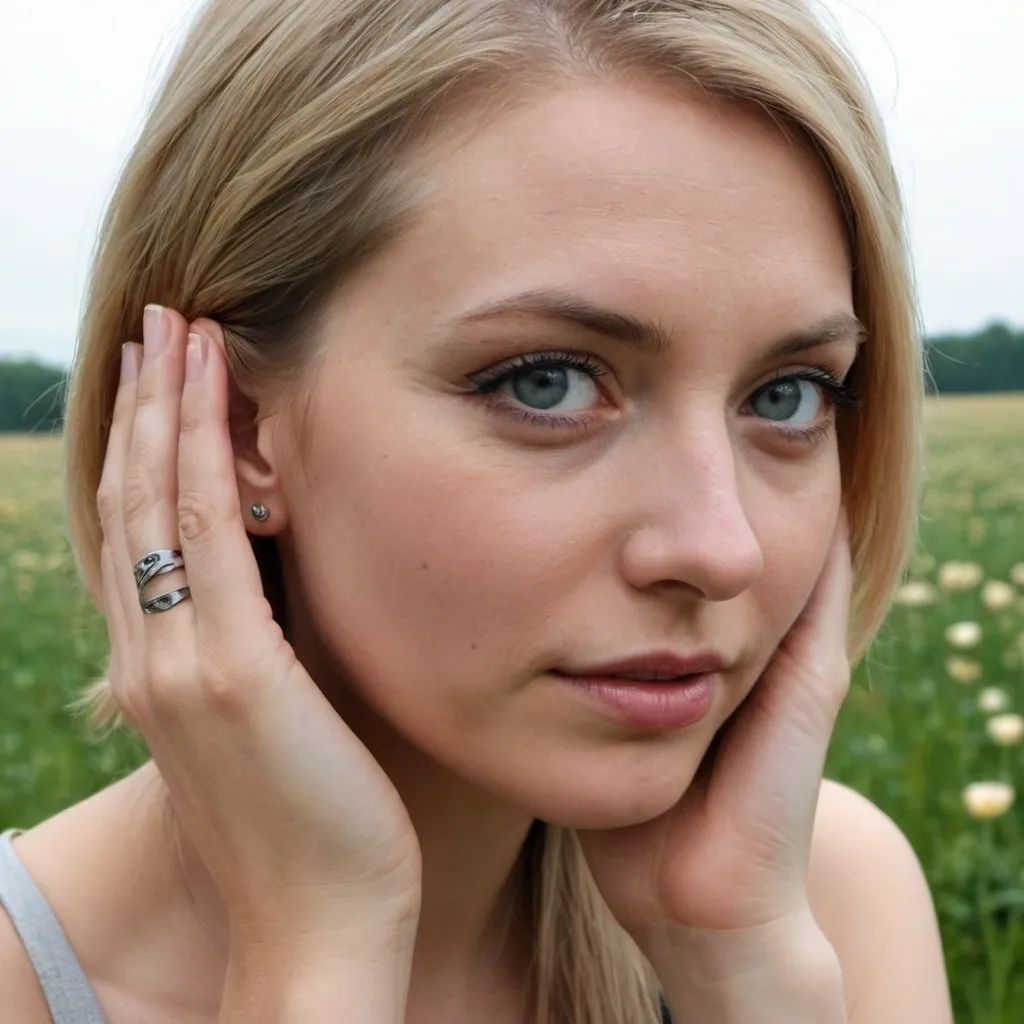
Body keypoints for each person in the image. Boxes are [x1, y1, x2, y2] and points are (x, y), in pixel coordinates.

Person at [0, 0, 954, 1021]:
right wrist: (316, 957)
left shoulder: (819, 909)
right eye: (545, 383)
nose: (722, 548)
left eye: (789, 395)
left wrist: (739, 971)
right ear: (230, 427)